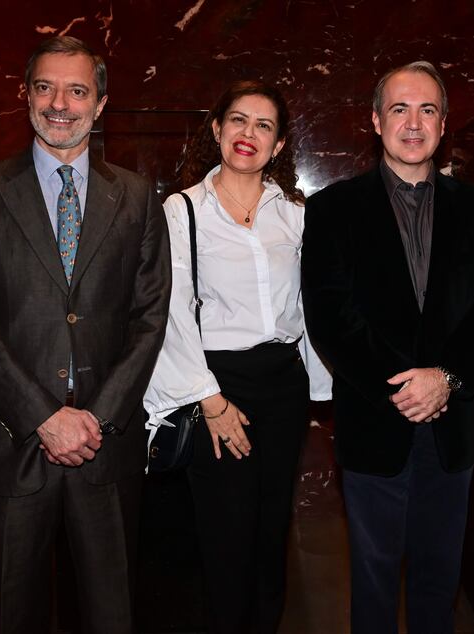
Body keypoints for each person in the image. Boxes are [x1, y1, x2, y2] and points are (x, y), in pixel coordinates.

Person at [0, 36, 171, 634]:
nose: (60, 104)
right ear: (25, 96)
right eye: (45, 87)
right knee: (16, 615)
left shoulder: (139, 198)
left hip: (107, 444)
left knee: (111, 614)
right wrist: (46, 416)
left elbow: (150, 317)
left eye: (77, 90)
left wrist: (96, 417)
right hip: (11, 444)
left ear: (100, 105)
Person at [301, 61, 474, 634]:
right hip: (376, 420)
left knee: (438, 577)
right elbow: (328, 315)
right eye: (399, 108)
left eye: (427, 110)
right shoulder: (332, 209)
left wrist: (447, 378)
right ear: (376, 120)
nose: (413, 122)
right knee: (371, 577)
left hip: (452, 425)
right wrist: (402, 387)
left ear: (443, 125)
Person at [144, 80, 331, 634]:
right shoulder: (182, 211)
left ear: (277, 146)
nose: (248, 134)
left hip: (283, 385)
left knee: (273, 530)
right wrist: (211, 401)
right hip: (214, 382)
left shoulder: (294, 215)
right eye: (239, 120)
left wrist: (319, 390)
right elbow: (171, 312)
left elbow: (310, 305)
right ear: (217, 129)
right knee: (225, 536)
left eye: (264, 125)